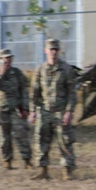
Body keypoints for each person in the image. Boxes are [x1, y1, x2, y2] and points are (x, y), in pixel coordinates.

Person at [29, 38, 80, 180]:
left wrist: (69, 111)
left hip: (61, 111)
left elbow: (72, 93)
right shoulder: (40, 70)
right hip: (45, 111)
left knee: (65, 141)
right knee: (41, 141)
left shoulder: (66, 69)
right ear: (45, 51)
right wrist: (33, 111)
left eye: (56, 49)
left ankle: (67, 171)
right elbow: (34, 92)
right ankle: (42, 170)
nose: (53, 52)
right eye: (51, 49)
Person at [0, 48, 32, 170]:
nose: (8, 60)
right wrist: (1, 74)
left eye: (9, 58)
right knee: (4, 137)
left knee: (21, 133)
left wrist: (26, 107)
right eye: (5, 58)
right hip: (0, 110)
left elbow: (24, 90)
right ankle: (7, 161)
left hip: (16, 108)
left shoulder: (17, 73)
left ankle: (27, 160)